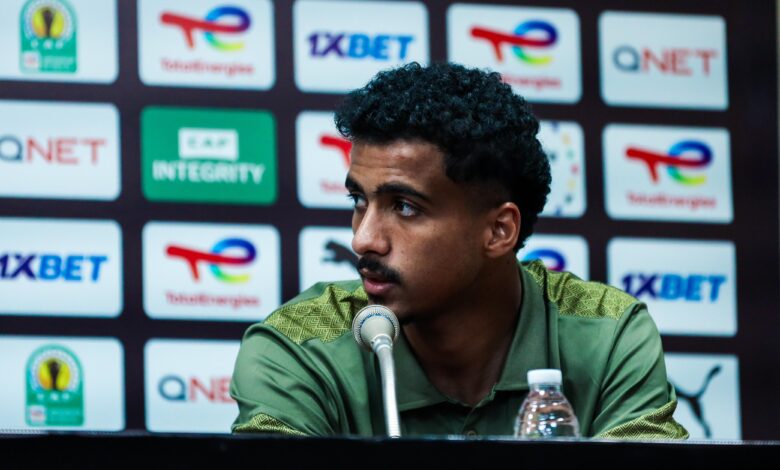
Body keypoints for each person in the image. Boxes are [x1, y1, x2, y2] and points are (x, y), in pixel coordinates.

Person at [230, 62, 688, 439]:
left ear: (498, 231)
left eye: (404, 207)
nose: (363, 239)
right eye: (359, 201)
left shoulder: (607, 336)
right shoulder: (300, 347)